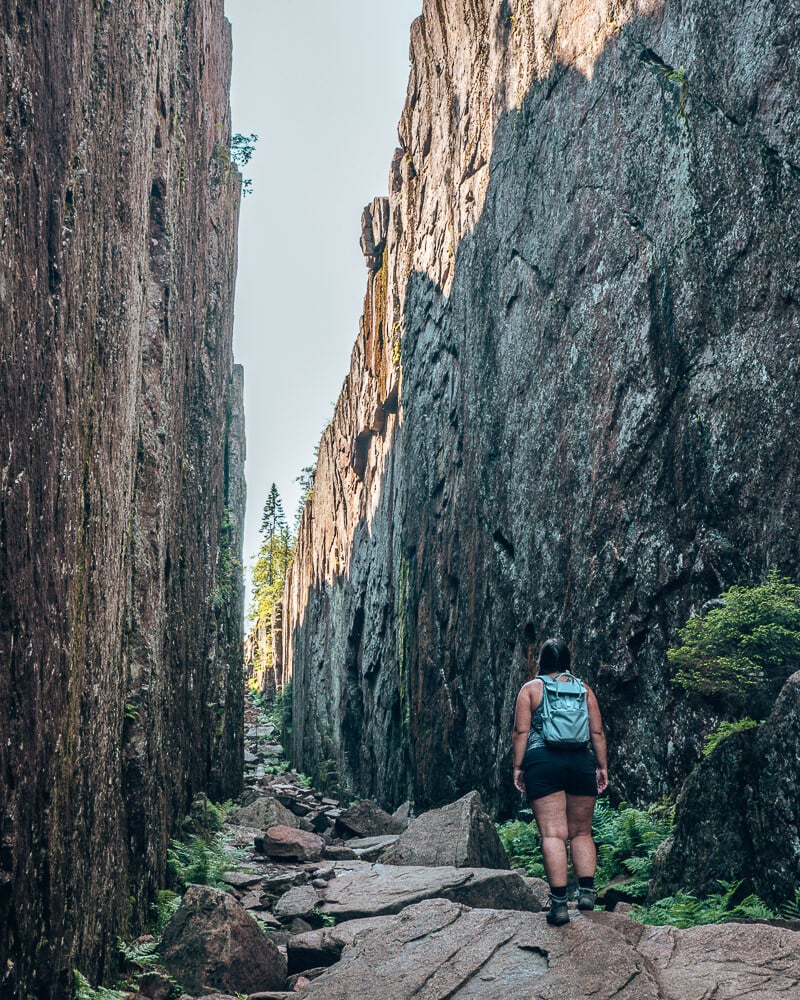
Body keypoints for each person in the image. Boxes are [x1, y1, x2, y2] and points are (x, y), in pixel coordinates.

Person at [512, 638, 609, 926]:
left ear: (541, 661)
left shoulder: (531, 689)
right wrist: (602, 766)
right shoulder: (584, 689)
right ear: (568, 661)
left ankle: (559, 905)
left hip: (543, 761)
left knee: (554, 834)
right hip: (580, 761)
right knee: (582, 832)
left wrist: (518, 767)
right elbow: (598, 732)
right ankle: (587, 894)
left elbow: (521, 732)